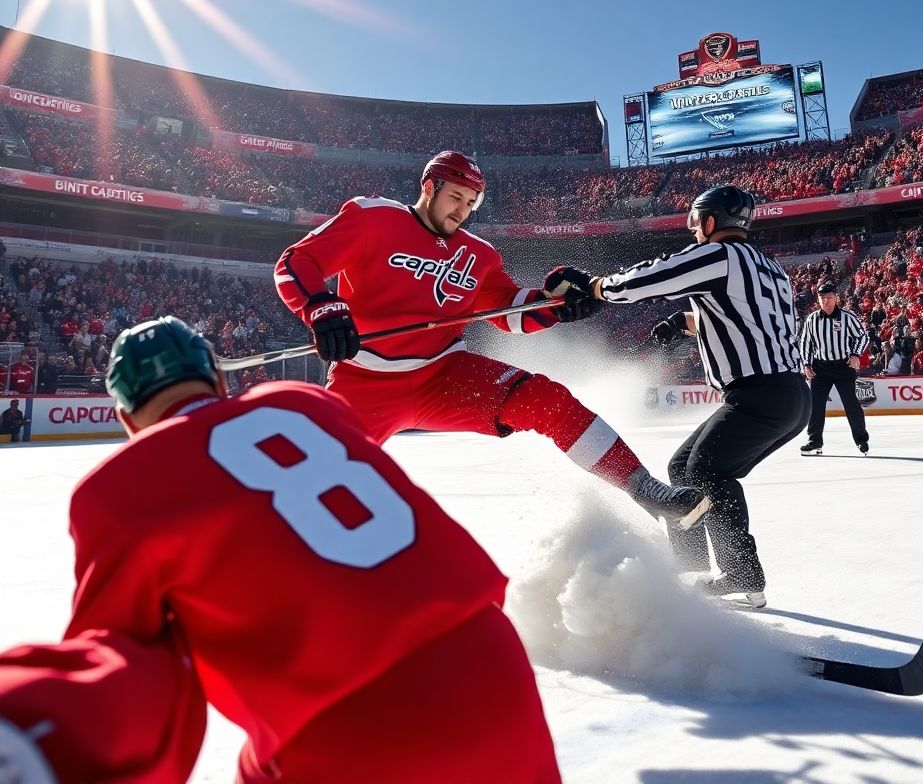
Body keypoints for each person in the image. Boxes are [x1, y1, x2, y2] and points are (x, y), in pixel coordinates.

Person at [0, 316, 561, 783]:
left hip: (344, 726)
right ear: (217, 380)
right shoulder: (306, 402)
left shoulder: (113, 488)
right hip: (492, 664)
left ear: (125, 417)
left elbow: (124, 659)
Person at [274, 150, 708, 529]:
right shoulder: (373, 217)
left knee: (547, 399)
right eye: (455, 198)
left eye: (470, 203)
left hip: (445, 374)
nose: (462, 210)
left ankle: (645, 488)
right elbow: (297, 261)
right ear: (430, 186)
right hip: (363, 381)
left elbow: (510, 313)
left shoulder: (479, 255)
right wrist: (322, 307)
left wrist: (558, 305)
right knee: (316, 485)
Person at [544, 185, 810, 609]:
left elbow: (654, 275)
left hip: (759, 393)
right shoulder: (768, 268)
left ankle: (742, 578)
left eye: (695, 224)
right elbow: (746, 321)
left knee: (706, 470)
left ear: (709, 222)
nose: (694, 233)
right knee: (682, 467)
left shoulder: (718, 256)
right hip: (788, 393)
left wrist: (596, 286)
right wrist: (685, 323)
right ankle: (690, 569)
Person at [798, 280, 871, 455]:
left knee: (851, 403)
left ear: (836, 298)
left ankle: (861, 440)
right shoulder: (812, 319)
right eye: (822, 298)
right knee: (815, 405)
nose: (826, 301)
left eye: (829, 297)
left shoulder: (847, 317)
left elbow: (863, 337)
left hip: (843, 367)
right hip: (820, 368)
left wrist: (855, 354)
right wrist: (806, 365)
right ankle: (815, 441)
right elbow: (805, 343)